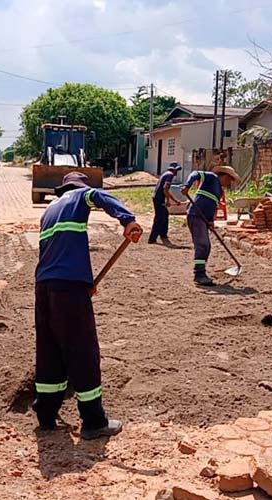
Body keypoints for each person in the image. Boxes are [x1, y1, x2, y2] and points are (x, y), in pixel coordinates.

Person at [33, 172, 142, 440]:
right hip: (68, 288)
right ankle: (93, 421)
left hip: (44, 286)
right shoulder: (83, 194)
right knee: (82, 350)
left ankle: (46, 415)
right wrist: (128, 220)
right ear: (81, 185)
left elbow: (56, 252)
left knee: (50, 350)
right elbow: (100, 197)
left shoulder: (50, 209)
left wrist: (83, 282)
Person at [180, 165, 240, 286]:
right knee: (202, 244)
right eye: (229, 179)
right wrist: (187, 186)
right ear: (223, 176)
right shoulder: (211, 178)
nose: (229, 183)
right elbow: (195, 173)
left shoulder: (220, 191)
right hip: (196, 215)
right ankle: (199, 274)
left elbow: (212, 205)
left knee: (207, 246)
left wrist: (211, 220)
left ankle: (201, 271)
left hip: (204, 218)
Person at [148, 162, 183, 245]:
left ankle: (163, 234)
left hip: (158, 197)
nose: (177, 172)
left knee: (165, 215)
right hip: (159, 199)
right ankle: (152, 238)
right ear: (174, 170)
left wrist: (173, 200)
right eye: (176, 170)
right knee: (159, 218)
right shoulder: (170, 175)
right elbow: (165, 189)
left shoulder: (166, 174)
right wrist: (168, 200)